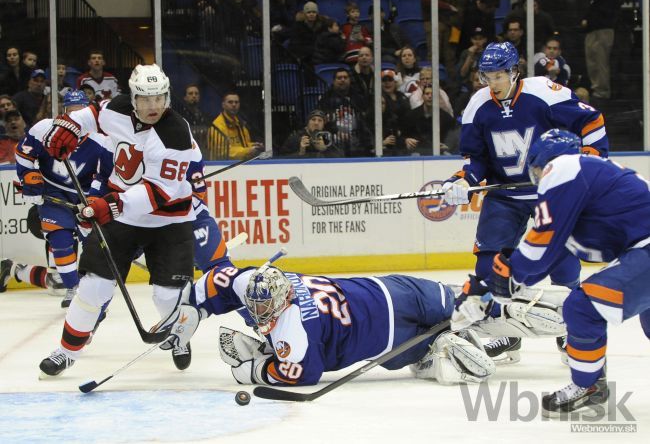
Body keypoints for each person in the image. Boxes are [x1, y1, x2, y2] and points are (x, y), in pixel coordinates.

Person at [440, 42, 609, 360]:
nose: (492, 83)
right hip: (505, 196)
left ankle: (570, 331)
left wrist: (589, 161)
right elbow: (476, 159)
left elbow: (592, 122)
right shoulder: (478, 105)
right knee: (489, 268)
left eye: (499, 75)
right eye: (487, 76)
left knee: (564, 265)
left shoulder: (544, 92)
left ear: (514, 72)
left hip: (550, 190)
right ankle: (506, 335)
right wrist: (464, 180)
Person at [471, 129, 650, 417]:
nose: (539, 175)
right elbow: (555, 248)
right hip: (641, 251)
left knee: (582, 307)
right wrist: (518, 277)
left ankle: (589, 385)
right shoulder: (587, 175)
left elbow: (544, 238)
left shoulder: (564, 167)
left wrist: (513, 274)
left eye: (537, 169)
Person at [37, 64, 202, 376]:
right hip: (124, 218)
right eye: (146, 99)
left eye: (160, 98)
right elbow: (92, 114)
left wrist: (108, 205)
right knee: (93, 287)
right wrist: (69, 126)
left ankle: (179, 337)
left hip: (169, 221)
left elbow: (157, 194)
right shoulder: (118, 107)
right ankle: (66, 351)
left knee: (168, 297)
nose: (154, 106)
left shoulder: (176, 135)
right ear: (133, 97)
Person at [162, 257, 495, 387]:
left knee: (433, 353)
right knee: (472, 304)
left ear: (282, 299)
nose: (260, 313)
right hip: (389, 291)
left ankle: (444, 347)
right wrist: (193, 309)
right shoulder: (267, 282)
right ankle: (496, 326)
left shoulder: (291, 331)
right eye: (255, 306)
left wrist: (250, 371)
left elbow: (305, 373)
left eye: (266, 307)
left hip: (388, 340)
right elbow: (224, 278)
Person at [15, 89, 112, 308]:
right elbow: (24, 154)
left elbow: (105, 175)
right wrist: (29, 178)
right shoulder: (44, 129)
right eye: (72, 111)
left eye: (81, 112)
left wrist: (95, 198)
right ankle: (73, 288)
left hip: (86, 197)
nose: (77, 116)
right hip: (53, 195)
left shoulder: (103, 140)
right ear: (65, 111)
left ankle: (93, 287)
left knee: (94, 246)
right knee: (60, 240)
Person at [581, 0, 619, 101]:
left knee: (600, 61)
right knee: (594, 61)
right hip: (595, 31)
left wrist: (588, 20)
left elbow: (602, 14)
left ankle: (601, 90)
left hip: (601, 31)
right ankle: (597, 87)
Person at [208, 92, 264, 160]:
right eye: (230, 102)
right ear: (223, 105)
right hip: (222, 166)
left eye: (236, 102)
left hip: (240, 163)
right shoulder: (217, 126)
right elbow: (223, 152)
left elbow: (244, 145)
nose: (234, 104)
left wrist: (254, 146)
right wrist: (248, 150)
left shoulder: (240, 123)